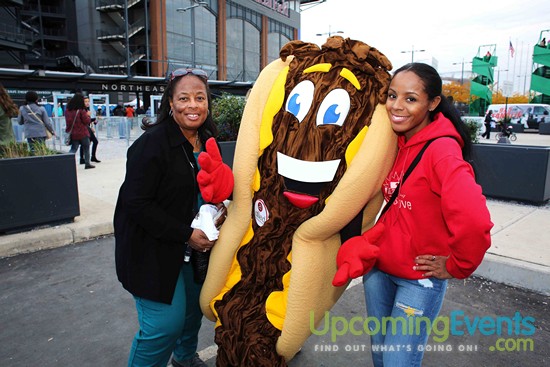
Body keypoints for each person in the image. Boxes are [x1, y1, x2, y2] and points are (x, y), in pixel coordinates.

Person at [333, 63, 493, 367]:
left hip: (418, 280)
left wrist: (458, 265)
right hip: (378, 271)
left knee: (398, 362)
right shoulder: (395, 141)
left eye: (410, 99)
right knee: (381, 357)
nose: (397, 106)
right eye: (392, 96)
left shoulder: (442, 151)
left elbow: (474, 219)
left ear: (432, 104)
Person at [114, 68, 233, 367]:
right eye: (184, 98)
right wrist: (185, 234)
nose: (192, 105)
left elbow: (208, 187)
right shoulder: (151, 144)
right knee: (163, 325)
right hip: (152, 249)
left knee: (192, 310)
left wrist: (220, 207)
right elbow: (136, 203)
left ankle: (184, 359)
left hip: (194, 249)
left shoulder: (207, 139)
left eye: (199, 98)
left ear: (208, 103)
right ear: (170, 103)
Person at [65, 93, 94, 169]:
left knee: (73, 149)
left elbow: (67, 122)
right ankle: (87, 164)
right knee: (86, 148)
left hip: (73, 133)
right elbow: (86, 121)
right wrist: (88, 115)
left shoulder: (68, 110)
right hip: (82, 132)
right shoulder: (81, 110)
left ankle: (67, 162)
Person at [81, 96, 101, 163]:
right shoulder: (83, 110)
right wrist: (93, 119)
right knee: (93, 142)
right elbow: (85, 120)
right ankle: (88, 157)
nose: (87, 103)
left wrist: (93, 123)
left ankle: (83, 158)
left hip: (87, 128)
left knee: (85, 143)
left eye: (88, 101)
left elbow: (88, 121)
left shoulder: (86, 110)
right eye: (85, 101)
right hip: (85, 128)